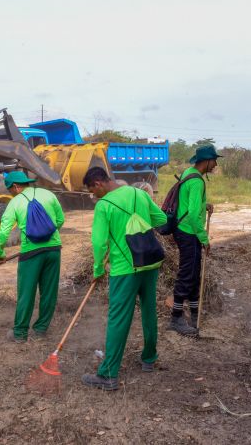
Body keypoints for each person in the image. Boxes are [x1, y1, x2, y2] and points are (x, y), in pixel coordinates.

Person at [81, 167, 167, 390]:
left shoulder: (104, 205)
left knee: (118, 318)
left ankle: (108, 374)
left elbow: (99, 243)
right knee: (149, 311)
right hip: (149, 262)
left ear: (98, 183)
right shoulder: (139, 194)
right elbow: (161, 219)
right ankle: (149, 359)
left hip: (124, 269)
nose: (93, 196)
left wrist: (98, 269)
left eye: (92, 191)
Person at [0, 171, 65, 343]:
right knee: (49, 292)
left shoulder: (15, 203)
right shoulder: (48, 195)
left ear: (16, 187)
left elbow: (3, 233)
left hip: (30, 253)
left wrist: (0, 253)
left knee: (26, 293)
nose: (10, 192)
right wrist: (47, 235)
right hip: (54, 249)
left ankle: (19, 333)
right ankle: (41, 329)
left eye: (10, 189)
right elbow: (60, 220)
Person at [169, 144, 220, 337]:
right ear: (206, 161)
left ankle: (194, 314)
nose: (215, 164)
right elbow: (191, 214)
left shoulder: (188, 173)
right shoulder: (197, 181)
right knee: (187, 274)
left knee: (194, 273)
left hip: (183, 231)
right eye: (214, 160)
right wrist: (204, 239)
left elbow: (188, 203)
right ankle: (176, 318)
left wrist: (203, 204)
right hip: (189, 232)